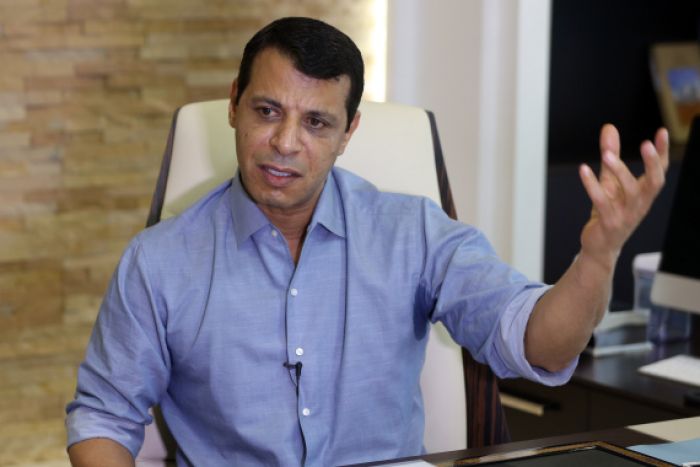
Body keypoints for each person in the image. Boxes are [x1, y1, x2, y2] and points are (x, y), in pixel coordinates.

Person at [65, 16, 669, 467]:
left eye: (316, 122)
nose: (285, 142)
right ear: (234, 105)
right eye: (268, 111)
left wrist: (598, 256)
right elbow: (102, 417)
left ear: (349, 131)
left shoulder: (414, 233)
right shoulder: (159, 261)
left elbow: (539, 343)